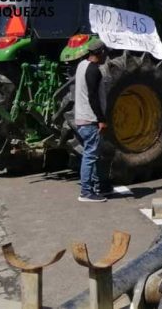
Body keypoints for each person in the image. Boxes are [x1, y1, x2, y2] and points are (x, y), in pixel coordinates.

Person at [74, 40, 109, 203]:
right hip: (90, 119)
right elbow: (93, 97)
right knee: (90, 155)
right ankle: (86, 192)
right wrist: (101, 119)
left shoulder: (81, 65)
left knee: (92, 155)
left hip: (81, 117)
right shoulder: (94, 71)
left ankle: (97, 186)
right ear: (100, 52)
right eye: (105, 53)